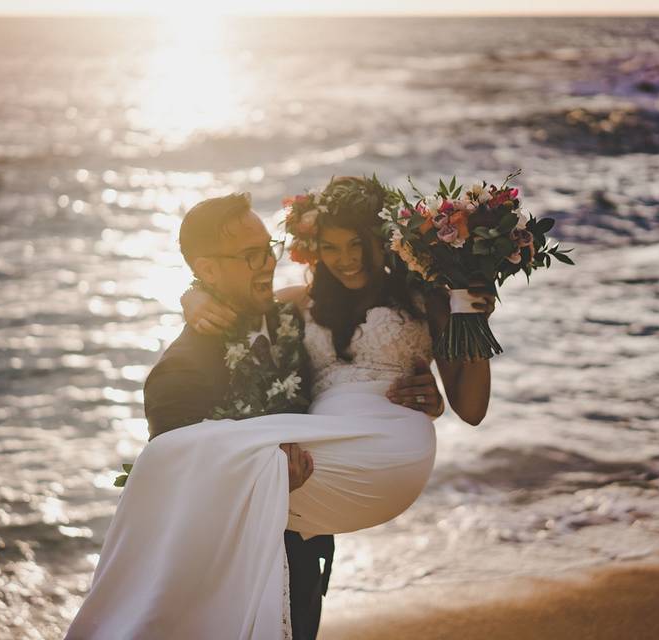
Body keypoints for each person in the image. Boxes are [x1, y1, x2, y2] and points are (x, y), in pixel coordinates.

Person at [65, 180, 494, 640]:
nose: (346, 258)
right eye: (331, 247)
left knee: (190, 458)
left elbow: (470, 408)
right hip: (320, 447)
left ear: (383, 239)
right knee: (196, 455)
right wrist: (193, 296)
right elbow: (243, 303)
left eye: (358, 244)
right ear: (315, 247)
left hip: (383, 443)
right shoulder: (300, 305)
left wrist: (464, 338)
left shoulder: (426, 300)